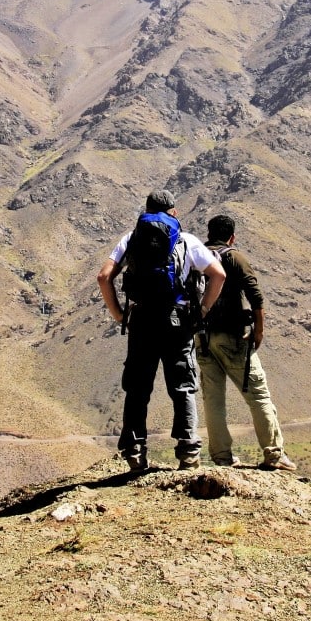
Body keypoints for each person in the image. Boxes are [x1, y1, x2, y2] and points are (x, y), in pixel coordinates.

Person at [97, 190, 226, 472]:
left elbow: (104, 277)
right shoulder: (185, 240)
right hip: (177, 320)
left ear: (146, 210)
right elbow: (219, 274)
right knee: (182, 386)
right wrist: (202, 311)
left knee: (138, 387)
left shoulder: (131, 239)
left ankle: (135, 453)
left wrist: (119, 314)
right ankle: (188, 453)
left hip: (141, 319)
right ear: (174, 212)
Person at [196, 214, 296, 472]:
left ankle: (221, 457)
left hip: (203, 338)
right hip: (233, 337)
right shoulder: (234, 257)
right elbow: (256, 297)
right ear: (232, 236)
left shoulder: (197, 257)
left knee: (213, 398)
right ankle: (274, 455)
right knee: (258, 395)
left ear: (209, 233)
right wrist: (258, 332)